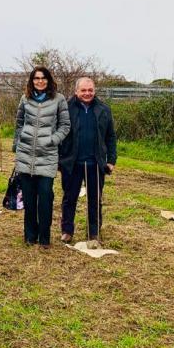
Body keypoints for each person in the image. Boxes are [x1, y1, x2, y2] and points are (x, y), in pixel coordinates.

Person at [13, 67, 71, 249]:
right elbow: (19, 122)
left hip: (47, 157)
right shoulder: (25, 99)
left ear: (48, 80)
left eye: (43, 78)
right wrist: (18, 142)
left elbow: (65, 125)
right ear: (32, 81)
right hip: (26, 156)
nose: (40, 81)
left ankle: (44, 238)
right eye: (36, 78)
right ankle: (30, 236)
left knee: (45, 197)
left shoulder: (58, 99)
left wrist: (53, 140)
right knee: (29, 200)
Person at [58, 77, 117, 248]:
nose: (87, 93)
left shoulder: (103, 109)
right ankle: (67, 231)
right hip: (72, 163)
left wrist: (111, 160)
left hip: (95, 164)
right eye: (83, 90)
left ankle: (94, 233)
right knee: (69, 199)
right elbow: (58, 135)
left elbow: (111, 137)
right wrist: (59, 159)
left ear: (94, 90)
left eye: (90, 90)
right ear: (76, 91)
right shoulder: (66, 109)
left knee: (95, 200)